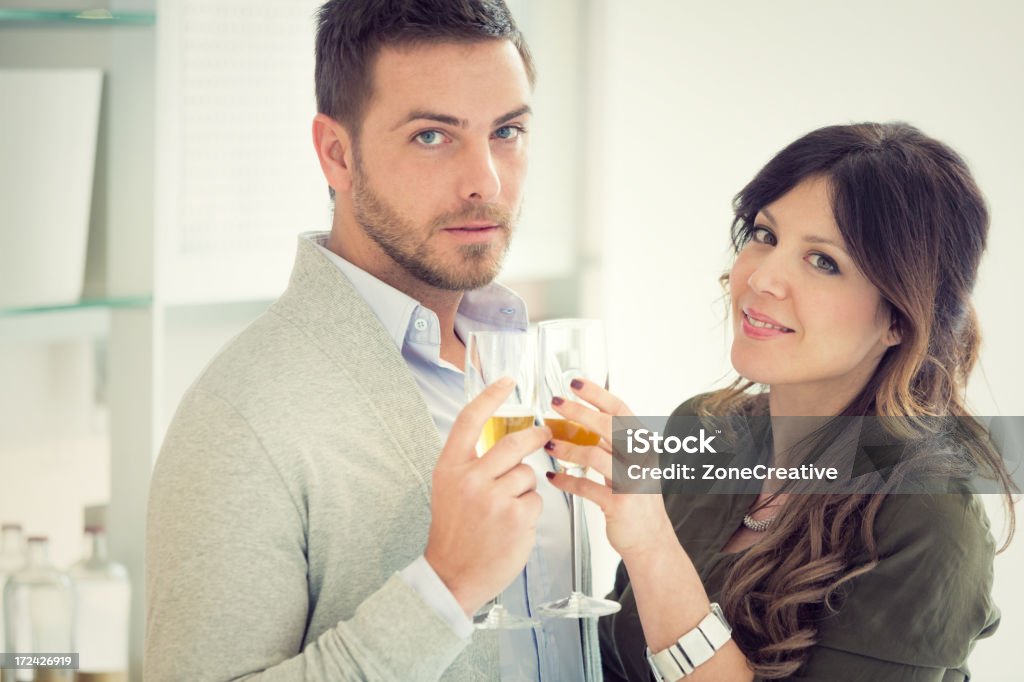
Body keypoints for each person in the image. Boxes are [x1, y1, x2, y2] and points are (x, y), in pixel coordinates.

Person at [144, 1, 599, 679]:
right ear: (337, 153)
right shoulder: (242, 414)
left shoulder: (531, 362)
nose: (487, 181)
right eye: (431, 136)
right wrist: (443, 588)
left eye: (506, 131)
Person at [546, 122, 1018, 680]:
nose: (762, 278)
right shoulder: (703, 428)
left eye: (824, 262)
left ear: (898, 318)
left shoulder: (928, 516)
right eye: (766, 235)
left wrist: (651, 544)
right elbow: (616, 661)